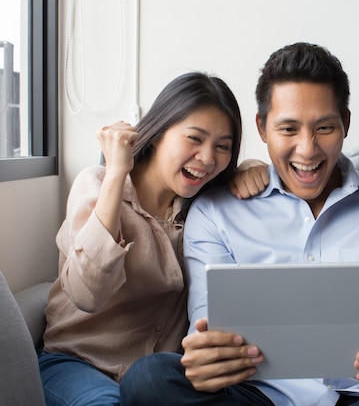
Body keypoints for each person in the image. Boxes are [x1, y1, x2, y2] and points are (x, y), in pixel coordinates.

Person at [120, 42, 359, 406]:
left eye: (324, 128)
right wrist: (205, 359)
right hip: (254, 395)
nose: (307, 149)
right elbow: (207, 329)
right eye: (288, 130)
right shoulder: (215, 212)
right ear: (262, 128)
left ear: (346, 124)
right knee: (148, 379)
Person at [39, 72, 244, 406]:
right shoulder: (97, 184)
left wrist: (250, 170)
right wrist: (117, 172)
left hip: (157, 379)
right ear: (160, 131)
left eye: (222, 147)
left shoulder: (207, 211)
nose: (208, 158)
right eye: (194, 138)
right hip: (75, 363)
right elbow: (86, 294)